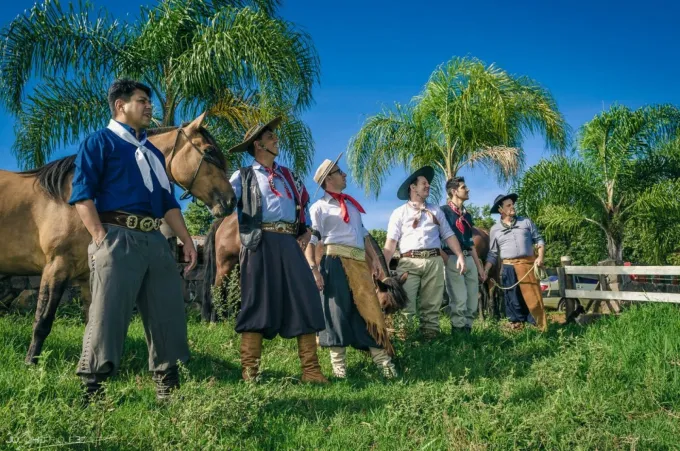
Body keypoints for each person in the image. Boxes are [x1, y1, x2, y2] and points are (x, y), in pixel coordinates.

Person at [69, 79, 197, 401]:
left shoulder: (153, 153)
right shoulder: (99, 143)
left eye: (149, 101)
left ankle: (167, 384)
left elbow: (168, 203)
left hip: (154, 239)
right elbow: (82, 196)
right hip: (116, 236)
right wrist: (100, 237)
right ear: (120, 105)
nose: (149, 106)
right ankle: (93, 387)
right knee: (107, 313)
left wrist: (187, 240)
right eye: (142, 101)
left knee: (167, 310)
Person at [227, 117, 328, 383]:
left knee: (306, 297)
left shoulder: (289, 176)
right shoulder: (243, 176)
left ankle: (311, 371)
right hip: (259, 242)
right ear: (258, 144)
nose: (276, 139)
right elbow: (223, 203)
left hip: (289, 243)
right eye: (271, 136)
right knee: (256, 302)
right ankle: (250, 373)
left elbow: (302, 206)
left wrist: (305, 230)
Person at [305, 153, 397, 379]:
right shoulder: (318, 207)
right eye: (339, 172)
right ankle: (339, 371)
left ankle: (385, 365)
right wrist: (314, 269)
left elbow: (364, 235)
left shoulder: (353, 207)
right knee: (336, 313)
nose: (344, 174)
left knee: (370, 311)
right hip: (334, 263)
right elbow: (313, 240)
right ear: (328, 180)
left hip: (359, 266)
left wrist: (375, 259)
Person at [383, 166, 467, 339]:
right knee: (405, 305)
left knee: (432, 305)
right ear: (413, 188)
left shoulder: (436, 211)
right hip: (408, 263)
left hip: (434, 262)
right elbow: (390, 244)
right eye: (424, 183)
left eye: (428, 183)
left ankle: (430, 341)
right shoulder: (398, 213)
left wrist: (459, 255)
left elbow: (449, 235)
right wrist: (382, 267)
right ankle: (405, 341)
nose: (428, 185)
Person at [484, 193, 547, 331]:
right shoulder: (495, 229)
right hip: (508, 267)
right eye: (508, 205)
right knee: (513, 298)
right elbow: (493, 253)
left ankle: (536, 326)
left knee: (533, 297)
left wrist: (540, 257)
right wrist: (486, 270)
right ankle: (517, 326)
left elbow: (539, 240)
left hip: (529, 266)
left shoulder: (526, 222)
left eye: (513, 204)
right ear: (501, 210)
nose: (513, 207)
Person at [440, 177, 486, 334]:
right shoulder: (443, 212)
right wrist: (446, 259)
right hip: (452, 258)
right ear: (454, 191)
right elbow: (435, 237)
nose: (467, 190)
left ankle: (468, 333)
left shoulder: (467, 216)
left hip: (469, 258)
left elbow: (470, 242)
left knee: (472, 300)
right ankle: (458, 336)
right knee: (459, 299)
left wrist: (479, 267)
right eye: (463, 187)